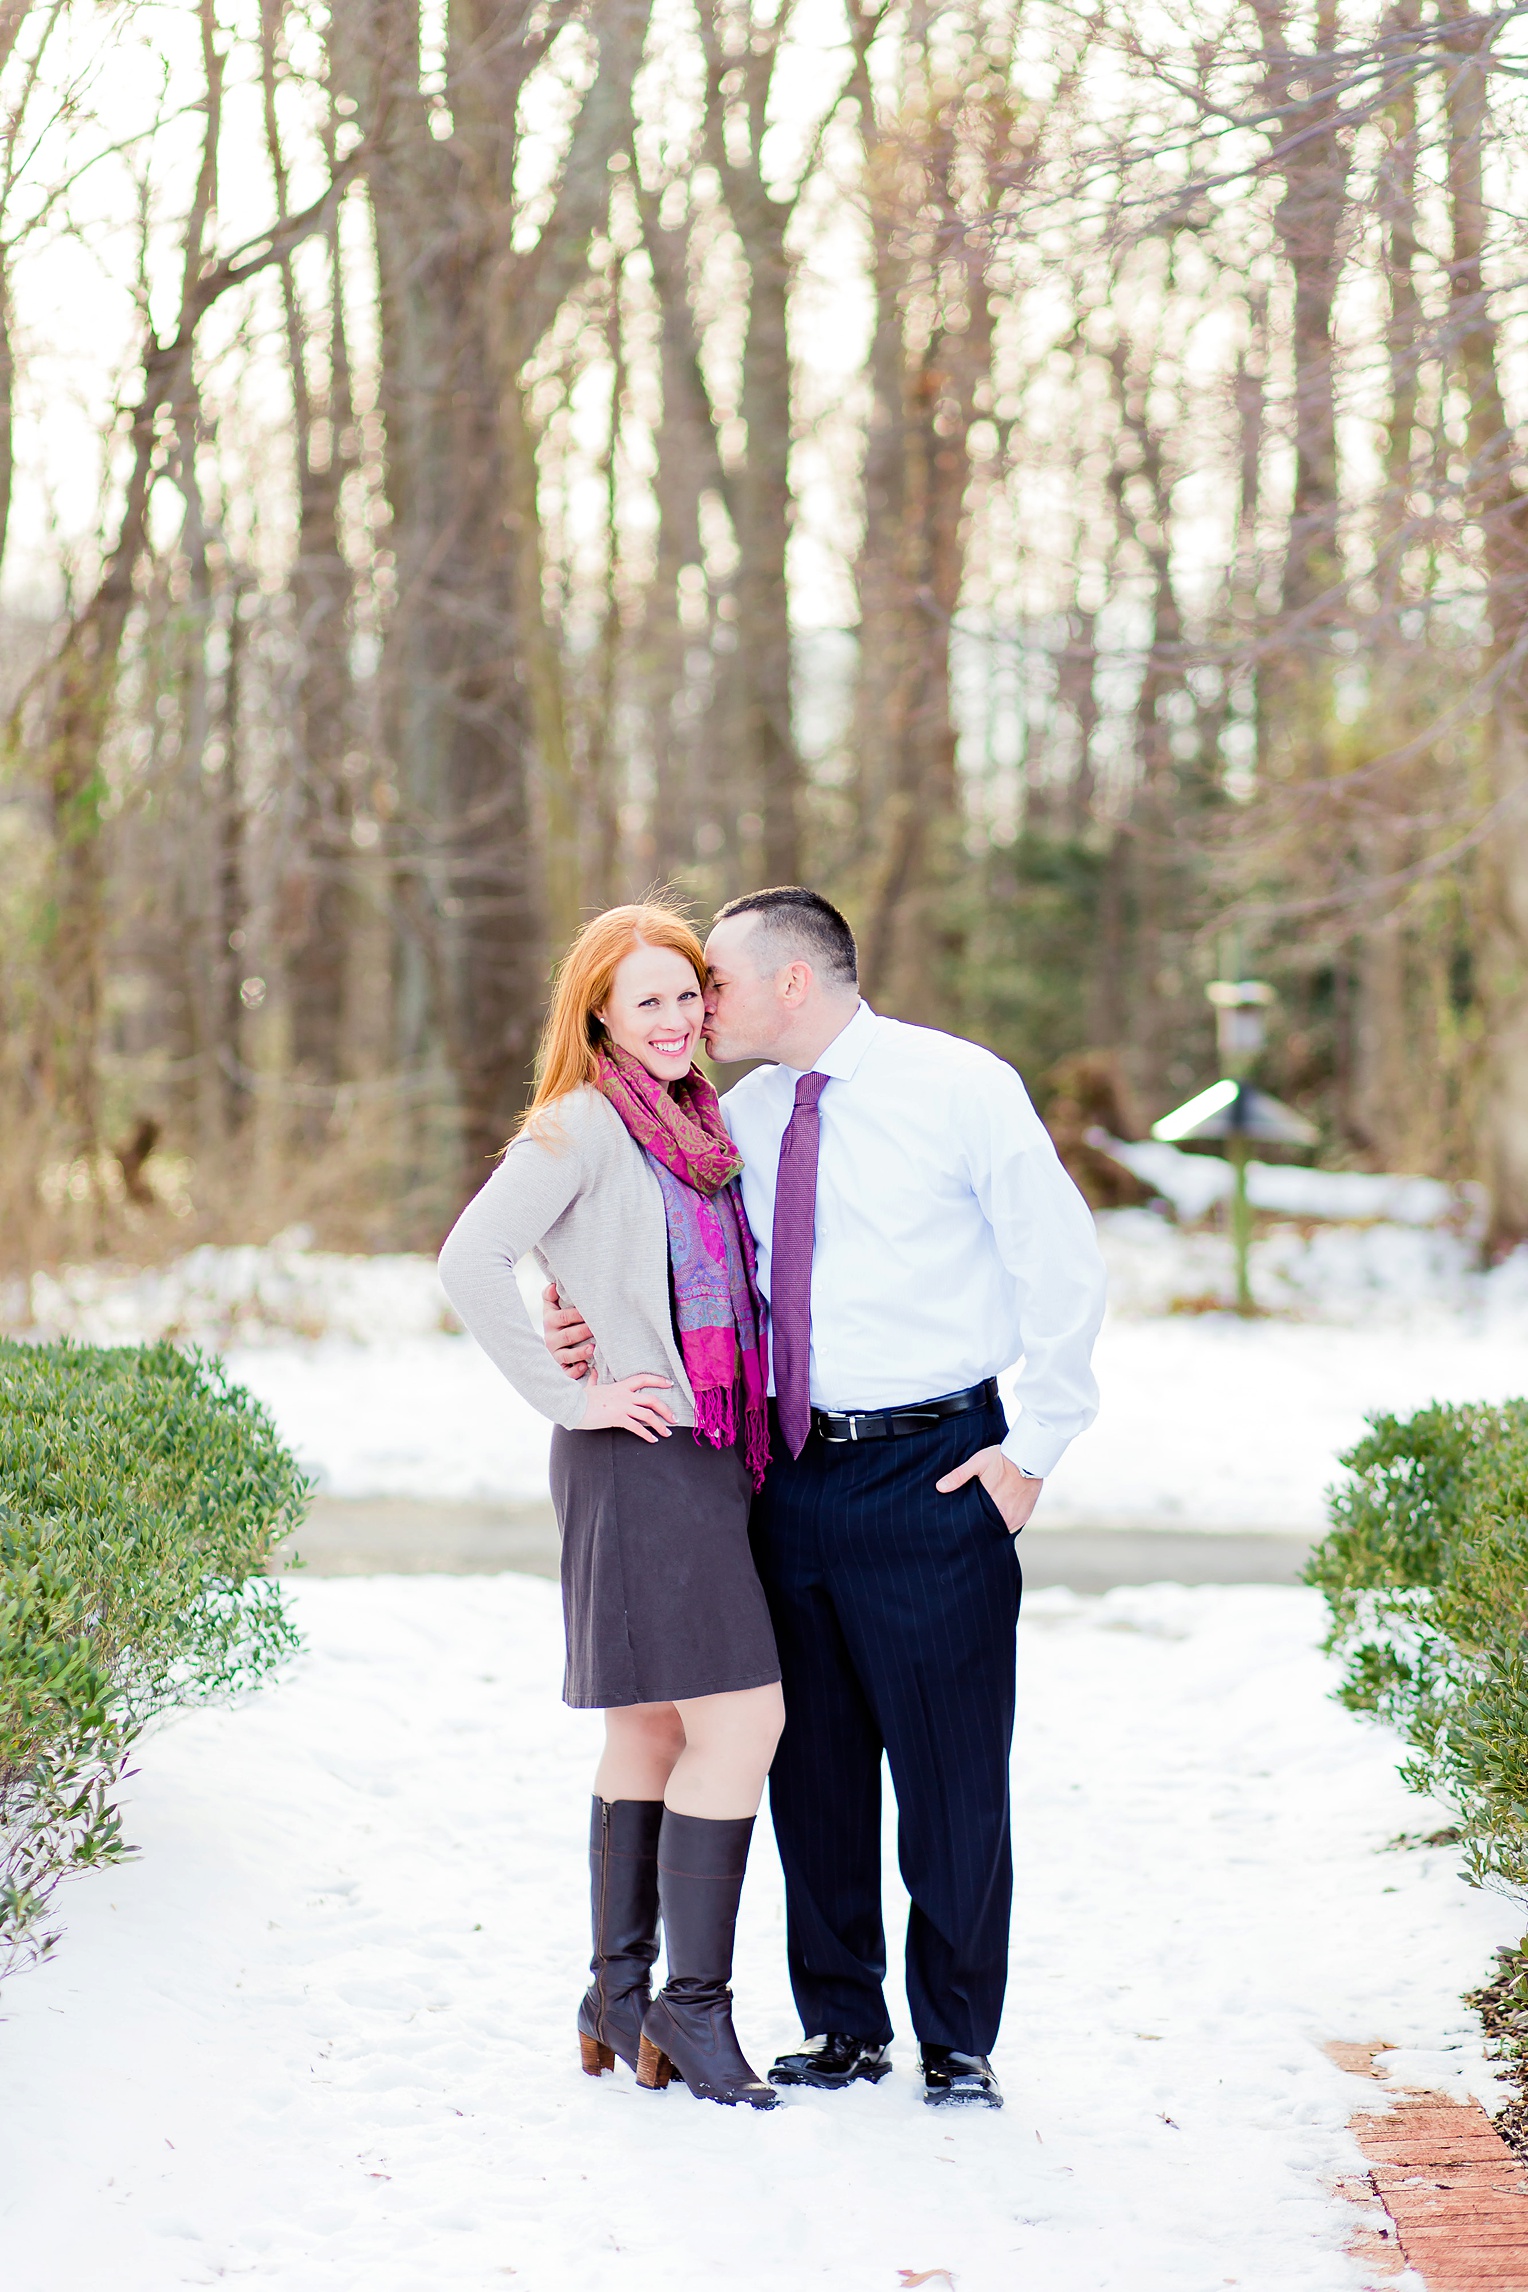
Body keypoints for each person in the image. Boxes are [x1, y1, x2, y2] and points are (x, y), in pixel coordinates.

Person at [546, 886, 1107, 2110]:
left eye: (717, 986)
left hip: (935, 1471)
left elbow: (1061, 1264)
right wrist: (570, 1315)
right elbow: (652, 1253)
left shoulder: (960, 1088)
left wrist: (1035, 1450)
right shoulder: (733, 1117)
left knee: (954, 1779)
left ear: (791, 981)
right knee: (816, 1772)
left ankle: (959, 2039)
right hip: (784, 1475)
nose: (700, 1010)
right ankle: (843, 2023)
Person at [437, 902, 784, 2111]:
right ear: (597, 1014)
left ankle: (616, 1994)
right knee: (743, 1722)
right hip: (638, 1454)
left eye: (689, 994)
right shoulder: (582, 1121)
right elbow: (468, 1260)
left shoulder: (698, 1125)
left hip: (699, 1450)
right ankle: (691, 2010)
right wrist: (566, 1394)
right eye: (648, 1001)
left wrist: (581, 1318)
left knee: (652, 1731)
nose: (678, 1019)